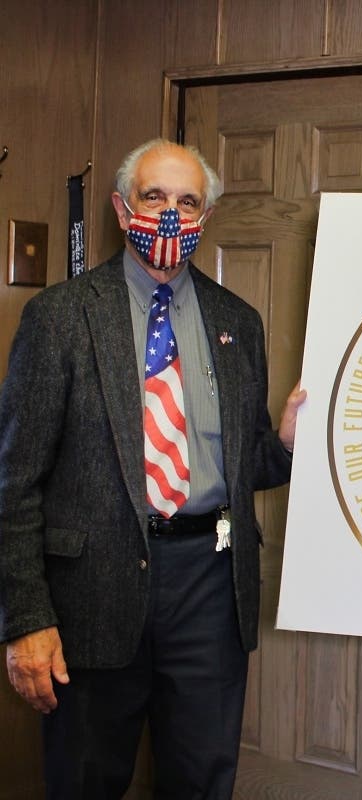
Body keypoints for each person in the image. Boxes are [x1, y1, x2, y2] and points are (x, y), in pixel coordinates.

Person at [0, 138, 306, 798]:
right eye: (154, 196)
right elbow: (13, 483)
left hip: (210, 589)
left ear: (206, 217)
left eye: (187, 202)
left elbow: (239, 463)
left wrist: (282, 445)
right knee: (85, 781)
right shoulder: (59, 318)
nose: (171, 214)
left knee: (201, 781)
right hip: (92, 595)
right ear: (121, 208)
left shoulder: (237, 322)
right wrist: (25, 619)